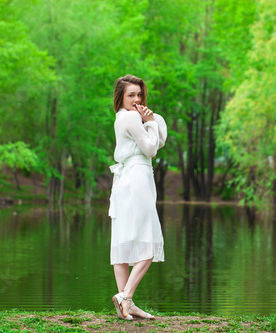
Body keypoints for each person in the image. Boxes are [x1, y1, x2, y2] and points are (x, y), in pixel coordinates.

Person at [108, 74, 167, 321]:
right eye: (131, 94)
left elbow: (156, 142)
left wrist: (152, 122)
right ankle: (126, 297)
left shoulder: (121, 118)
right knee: (149, 242)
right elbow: (152, 148)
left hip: (125, 181)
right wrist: (151, 122)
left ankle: (126, 304)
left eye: (139, 94)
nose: (136, 99)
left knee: (123, 242)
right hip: (137, 179)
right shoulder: (133, 117)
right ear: (120, 97)